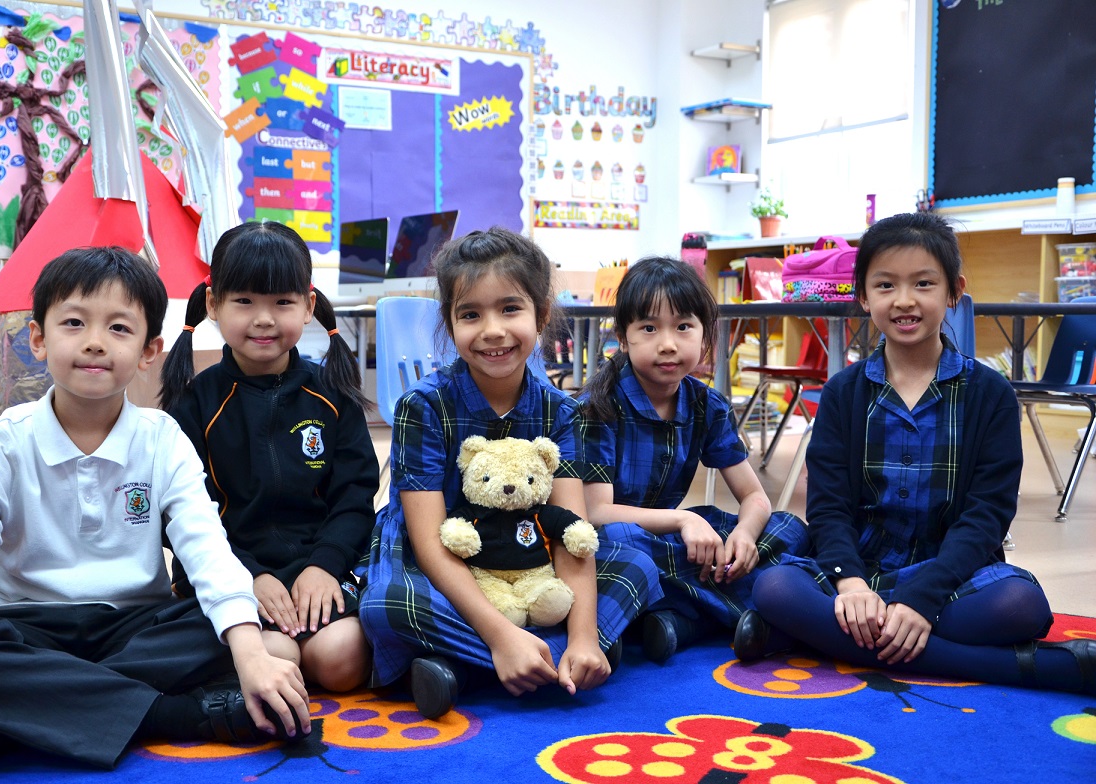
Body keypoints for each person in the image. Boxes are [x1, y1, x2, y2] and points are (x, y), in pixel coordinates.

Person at [0, 248, 312, 781]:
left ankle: (25, 716)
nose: (95, 341)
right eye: (74, 322)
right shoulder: (2, 442)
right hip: (25, 625)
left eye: (119, 328)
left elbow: (207, 550)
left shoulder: (162, 438)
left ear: (150, 351)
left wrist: (249, 652)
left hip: (135, 627)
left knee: (264, 642)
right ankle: (176, 715)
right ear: (38, 338)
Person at [746, 211, 1095, 695]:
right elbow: (828, 506)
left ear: (954, 291)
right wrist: (849, 584)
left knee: (1020, 604)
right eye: (885, 285)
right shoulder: (844, 393)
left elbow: (988, 514)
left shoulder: (989, 393)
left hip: (952, 573)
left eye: (924, 284)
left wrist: (923, 598)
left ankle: (799, 635)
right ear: (863, 295)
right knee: (775, 587)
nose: (904, 300)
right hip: (861, 572)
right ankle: (1021, 668)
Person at [359, 227, 662, 719]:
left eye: (510, 309)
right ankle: (542, 660)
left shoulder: (561, 412)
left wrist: (585, 632)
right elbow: (429, 544)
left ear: (541, 315)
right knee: (386, 606)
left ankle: (481, 665)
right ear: (450, 322)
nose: (492, 330)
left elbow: (571, 532)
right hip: (448, 565)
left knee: (637, 564)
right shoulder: (424, 407)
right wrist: (500, 635)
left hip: (536, 562)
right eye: (470, 314)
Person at [160, 221, 378, 694]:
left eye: (282, 302)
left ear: (309, 305)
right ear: (214, 305)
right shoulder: (194, 404)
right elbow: (181, 515)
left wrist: (325, 564)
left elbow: (356, 494)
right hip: (230, 574)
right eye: (244, 302)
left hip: (321, 571)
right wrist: (247, 576)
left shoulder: (332, 395)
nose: (264, 319)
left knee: (339, 659)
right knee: (275, 653)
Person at [577, 256, 810, 663]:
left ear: (704, 336)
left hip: (671, 544)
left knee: (791, 528)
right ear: (624, 337)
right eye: (649, 328)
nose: (668, 343)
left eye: (683, 326)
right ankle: (763, 611)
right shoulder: (598, 406)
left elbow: (755, 498)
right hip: (620, 539)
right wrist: (686, 519)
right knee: (619, 548)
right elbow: (595, 512)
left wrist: (746, 536)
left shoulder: (707, 405)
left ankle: (679, 618)